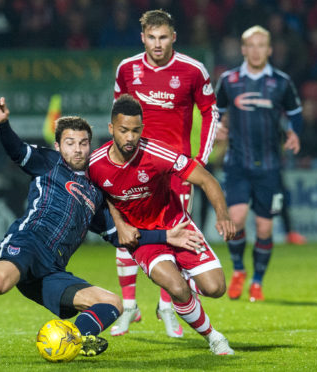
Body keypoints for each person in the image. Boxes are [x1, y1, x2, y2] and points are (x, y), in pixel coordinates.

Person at [0, 97, 202, 358]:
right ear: (59, 146)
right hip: (28, 244)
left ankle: (76, 339)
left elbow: (123, 237)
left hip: (52, 269)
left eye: (84, 143)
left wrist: (164, 237)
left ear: (91, 146)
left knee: (113, 304)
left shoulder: (96, 193)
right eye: (70, 143)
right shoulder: (48, 163)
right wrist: (3, 125)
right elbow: (17, 151)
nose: (77, 149)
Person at [89, 94, 236, 355]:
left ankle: (185, 284)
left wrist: (223, 215)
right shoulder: (96, 165)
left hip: (177, 226)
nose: (130, 137)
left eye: (135, 131)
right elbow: (103, 195)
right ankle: (214, 337)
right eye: (123, 131)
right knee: (176, 287)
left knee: (215, 288)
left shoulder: (156, 153)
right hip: (145, 239)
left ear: (142, 129)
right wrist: (120, 223)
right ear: (111, 129)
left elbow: (207, 180)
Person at [111, 9, 219, 337]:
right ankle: (129, 308)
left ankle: (168, 306)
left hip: (174, 171)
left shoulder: (191, 70)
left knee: (174, 238)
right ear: (143, 38)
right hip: (135, 167)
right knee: (125, 233)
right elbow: (118, 116)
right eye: (151, 38)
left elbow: (211, 113)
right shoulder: (127, 69)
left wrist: (199, 160)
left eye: (163, 37)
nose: (157, 44)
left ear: (173, 37)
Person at [214, 26, 303, 302]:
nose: (255, 50)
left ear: (269, 49)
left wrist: (294, 132)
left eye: (261, 45)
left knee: (265, 229)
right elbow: (214, 111)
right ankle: (239, 269)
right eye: (250, 45)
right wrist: (216, 126)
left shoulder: (281, 82)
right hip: (237, 164)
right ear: (243, 49)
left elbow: (295, 112)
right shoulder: (229, 80)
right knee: (237, 220)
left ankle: (257, 281)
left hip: (269, 167)